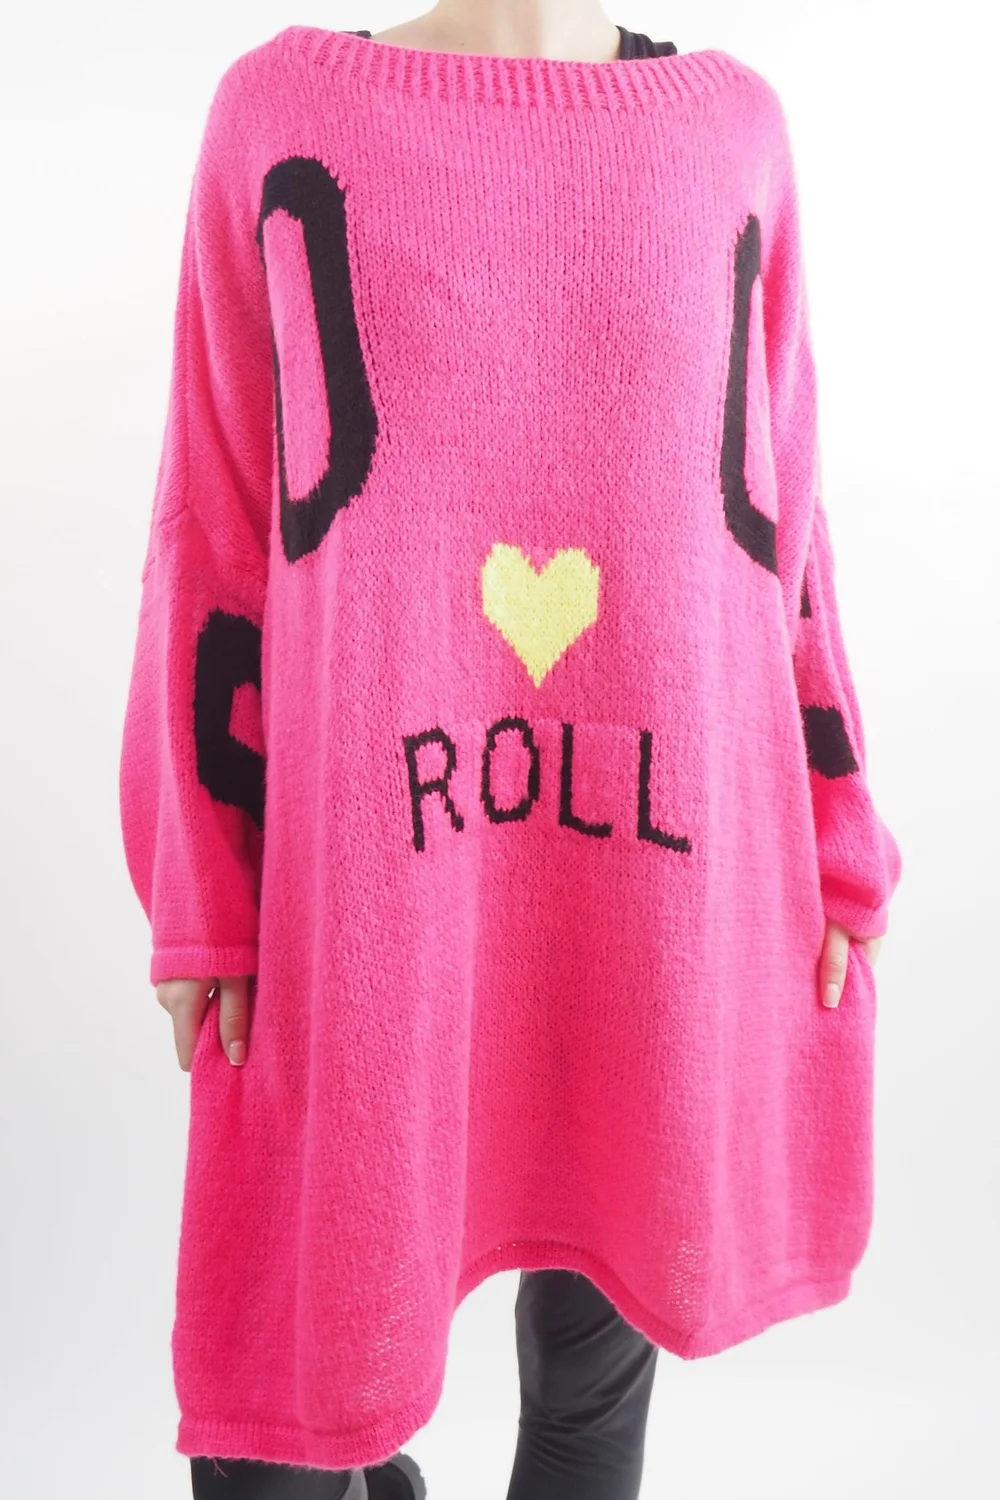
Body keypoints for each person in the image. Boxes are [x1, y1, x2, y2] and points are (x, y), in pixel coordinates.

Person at [118, 4, 903, 1498]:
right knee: (289, 1401)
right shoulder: (281, 116)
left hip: (655, 879)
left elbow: (785, 530)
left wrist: (839, 830)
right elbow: (211, 526)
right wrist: (201, 885)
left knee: (592, 1388)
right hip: (370, 885)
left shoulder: (732, 133)